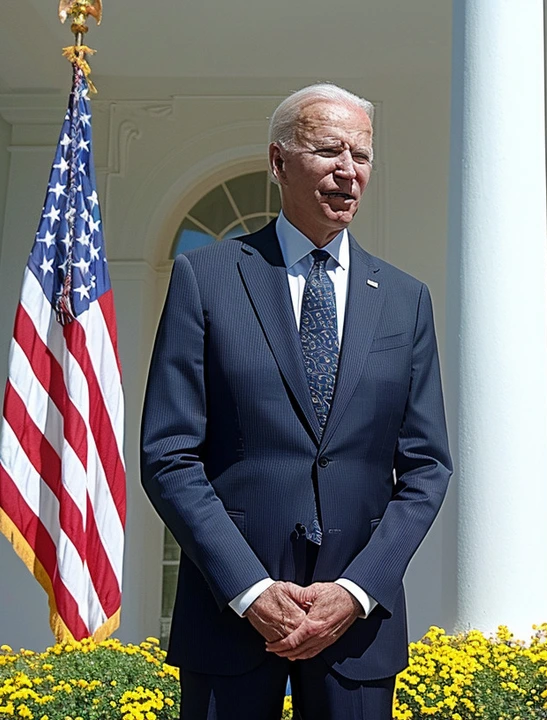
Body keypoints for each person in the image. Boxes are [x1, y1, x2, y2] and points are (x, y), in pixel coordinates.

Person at [140, 83, 452, 719]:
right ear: (279, 163)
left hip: (356, 631)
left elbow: (426, 468)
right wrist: (249, 589)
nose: (349, 171)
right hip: (231, 620)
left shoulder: (404, 299)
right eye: (329, 150)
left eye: (362, 155)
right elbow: (169, 454)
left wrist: (359, 589)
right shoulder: (207, 278)